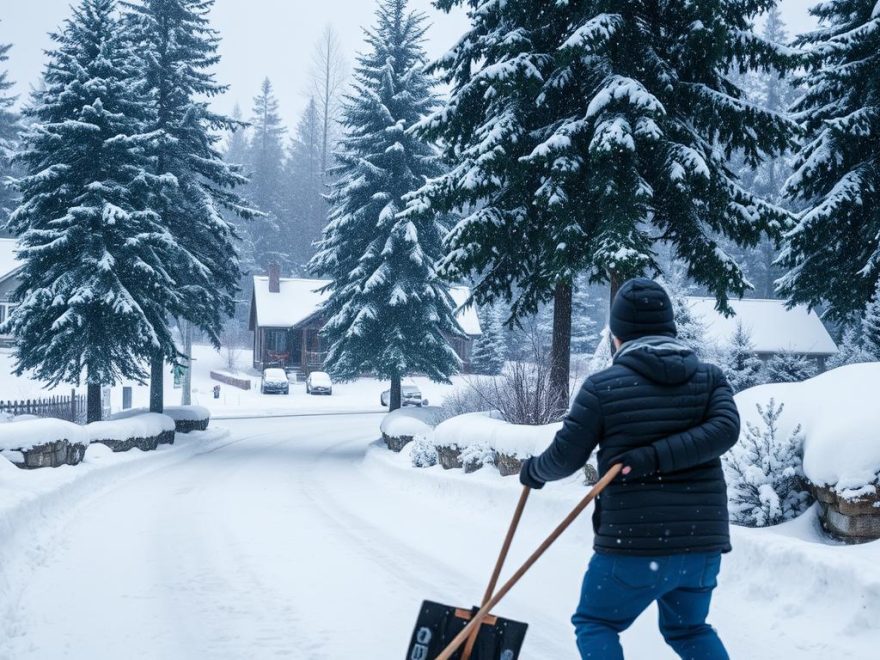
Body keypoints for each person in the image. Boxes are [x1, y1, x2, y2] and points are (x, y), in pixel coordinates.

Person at [520, 277, 740, 660]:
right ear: (671, 329)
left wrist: (535, 471)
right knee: (689, 629)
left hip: (633, 544)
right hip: (700, 545)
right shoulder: (709, 378)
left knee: (596, 623)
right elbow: (724, 430)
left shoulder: (602, 387)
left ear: (616, 338)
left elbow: (566, 458)